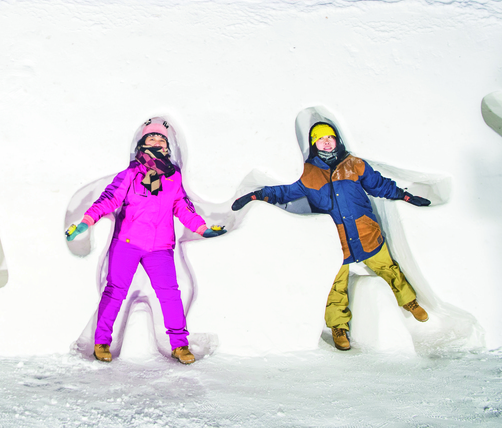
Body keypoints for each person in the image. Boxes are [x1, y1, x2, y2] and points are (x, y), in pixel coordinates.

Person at [231, 121, 431, 351]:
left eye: (330, 137)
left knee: (388, 268)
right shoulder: (307, 173)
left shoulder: (354, 165)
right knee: (336, 286)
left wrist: (405, 197)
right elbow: (283, 191)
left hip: (365, 231)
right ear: (314, 144)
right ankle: (339, 327)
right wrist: (256, 196)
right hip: (336, 240)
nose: (326, 142)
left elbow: (379, 186)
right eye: (320, 139)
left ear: (336, 140)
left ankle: (410, 302)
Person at [66, 118, 227, 364]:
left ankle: (179, 345)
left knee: (170, 295)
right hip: (126, 243)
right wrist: (87, 220)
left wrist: (202, 228)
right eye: (151, 138)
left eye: (161, 138)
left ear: (167, 147)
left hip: (159, 247)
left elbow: (182, 207)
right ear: (142, 144)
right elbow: (109, 199)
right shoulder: (131, 174)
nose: (156, 141)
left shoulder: (173, 178)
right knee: (114, 292)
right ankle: (101, 342)